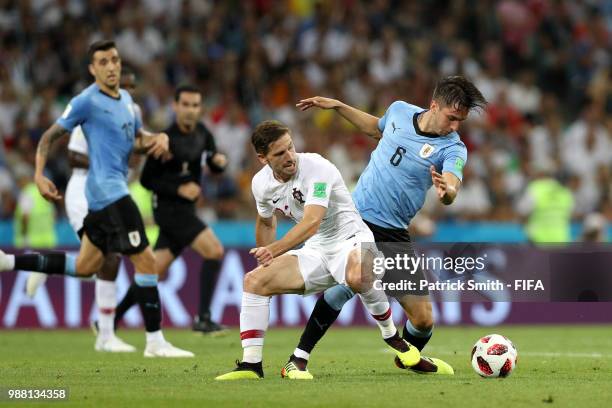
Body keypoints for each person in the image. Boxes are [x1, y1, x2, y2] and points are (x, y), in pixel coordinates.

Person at [0, 40, 192, 358]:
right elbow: (49, 136)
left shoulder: (128, 101)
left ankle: (9, 262)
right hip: (110, 193)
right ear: (93, 69)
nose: (111, 66)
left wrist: (158, 136)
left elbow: (139, 141)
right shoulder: (85, 102)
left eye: (114, 59)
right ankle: (155, 341)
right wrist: (38, 174)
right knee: (146, 260)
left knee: (86, 265)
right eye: (103, 61)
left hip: (105, 196)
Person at [287, 75, 488, 375]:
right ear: (434, 105)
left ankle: (404, 357)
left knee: (423, 320)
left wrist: (448, 193)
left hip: (393, 231)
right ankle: (298, 358)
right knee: (345, 287)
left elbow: (453, 183)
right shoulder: (399, 111)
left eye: (461, 121)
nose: (456, 126)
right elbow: (374, 127)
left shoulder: (454, 149)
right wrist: (339, 106)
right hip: (357, 219)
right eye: (452, 117)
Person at [215, 120, 420, 381]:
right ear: (262, 158)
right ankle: (251, 365)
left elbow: (312, 221)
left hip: (353, 238)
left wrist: (275, 249)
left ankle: (391, 335)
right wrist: (266, 260)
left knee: (359, 276)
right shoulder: (260, 184)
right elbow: (266, 221)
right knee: (254, 282)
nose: (290, 156)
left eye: (290, 147)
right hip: (317, 248)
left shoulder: (316, 167)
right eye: (280, 153)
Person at [26, 67, 142, 353]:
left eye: (131, 87)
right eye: (125, 84)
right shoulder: (92, 112)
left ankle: (104, 333)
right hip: (84, 190)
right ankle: (105, 335)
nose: (127, 91)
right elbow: (75, 156)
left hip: (108, 190)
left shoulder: (130, 112)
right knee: (106, 257)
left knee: (106, 258)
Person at [113, 84, 227, 334]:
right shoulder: (164, 139)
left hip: (186, 212)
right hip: (169, 211)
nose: (189, 110)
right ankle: (203, 318)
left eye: (195, 105)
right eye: (185, 104)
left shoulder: (203, 134)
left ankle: (110, 320)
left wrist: (219, 163)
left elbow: (212, 159)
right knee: (214, 251)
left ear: (200, 109)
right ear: (175, 106)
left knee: (152, 272)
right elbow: (146, 180)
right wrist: (179, 189)